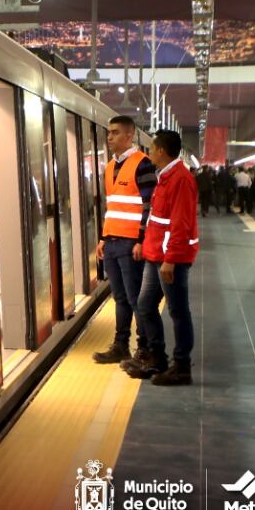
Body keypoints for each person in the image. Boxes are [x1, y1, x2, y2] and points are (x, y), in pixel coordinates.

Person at [121, 130, 199, 385]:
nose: (149, 153)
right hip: (155, 254)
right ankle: (157, 357)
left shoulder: (180, 179)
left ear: (162, 152)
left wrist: (171, 259)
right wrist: (146, 244)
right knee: (144, 305)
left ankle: (182, 366)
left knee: (178, 311)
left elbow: (181, 224)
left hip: (169, 259)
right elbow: (158, 219)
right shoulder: (164, 177)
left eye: (152, 149)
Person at [92, 116, 157, 366]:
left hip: (131, 243)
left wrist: (141, 240)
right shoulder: (109, 167)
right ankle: (121, 345)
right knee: (119, 297)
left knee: (135, 298)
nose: (109, 137)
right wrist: (103, 237)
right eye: (109, 133)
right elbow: (112, 207)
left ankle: (144, 349)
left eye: (115, 133)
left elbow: (149, 206)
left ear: (129, 136)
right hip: (112, 242)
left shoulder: (143, 164)